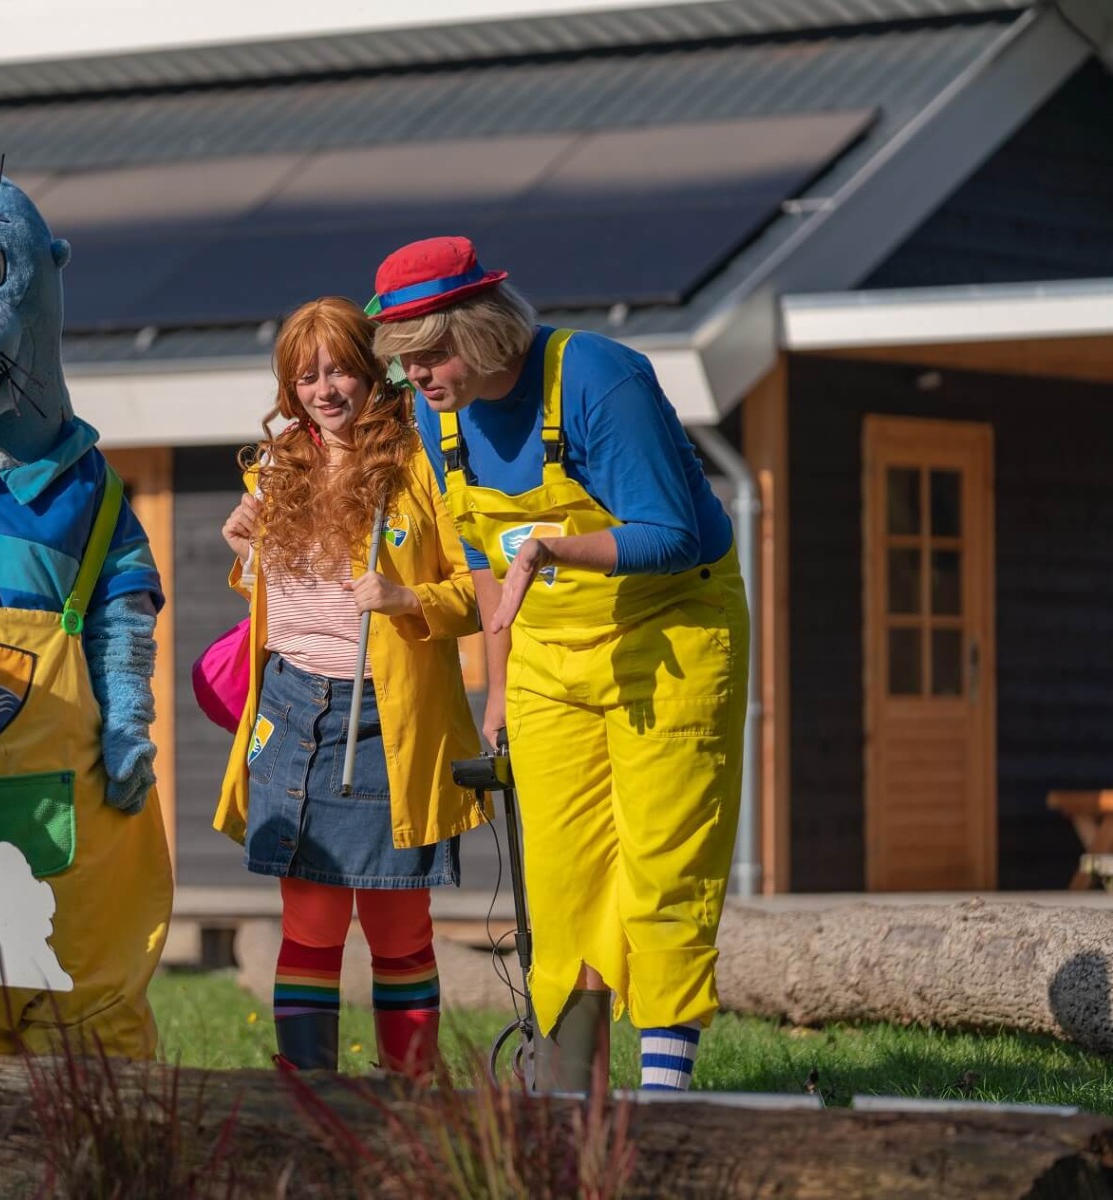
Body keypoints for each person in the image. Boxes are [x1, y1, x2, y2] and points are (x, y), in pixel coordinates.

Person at [369, 237, 750, 1093]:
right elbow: (485, 562)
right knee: (562, 876)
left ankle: (663, 1097)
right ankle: (571, 1096)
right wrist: (498, 686)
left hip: (669, 633)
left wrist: (553, 549)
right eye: (402, 362)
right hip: (545, 651)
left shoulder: (597, 378)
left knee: (662, 863)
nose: (417, 376)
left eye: (430, 353)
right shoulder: (436, 413)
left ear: (482, 329)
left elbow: (671, 533)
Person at [214, 296, 484, 1080]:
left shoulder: (422, 463)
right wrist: (244, 554)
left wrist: (407, 599)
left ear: (373, 373)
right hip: (291, 708)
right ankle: (308, 1097)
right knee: (309, 924)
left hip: (383, 720)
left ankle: (411, 1096)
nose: (324, 390)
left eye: (339, 371)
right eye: (306, 377)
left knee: (399, 926)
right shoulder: (275, 470)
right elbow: (281, 602)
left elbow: (481, 591)